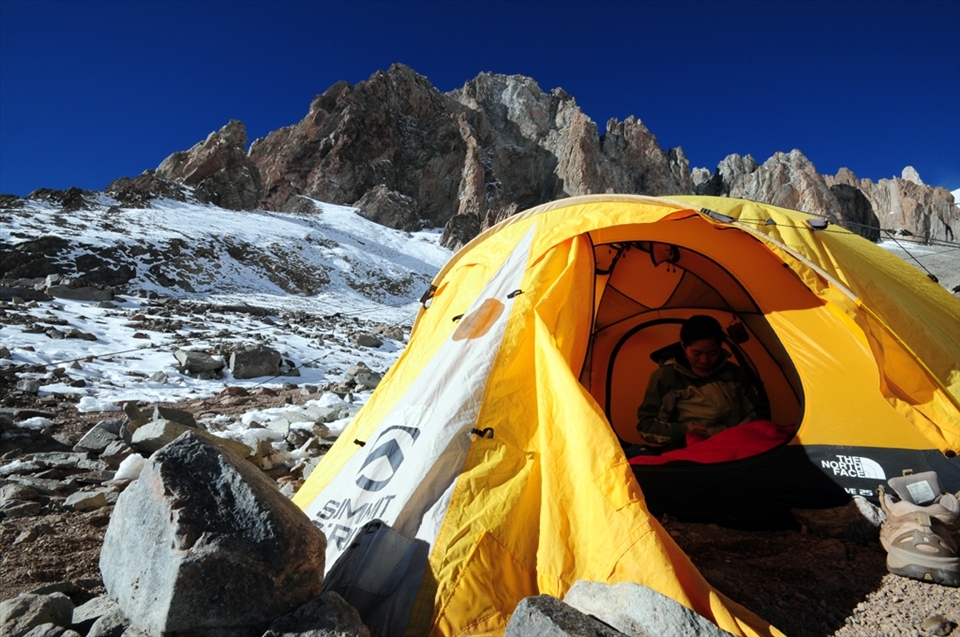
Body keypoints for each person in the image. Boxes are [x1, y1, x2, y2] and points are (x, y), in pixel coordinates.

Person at [635, 315, 769, 451]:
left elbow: (756, 413)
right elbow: (647, 426)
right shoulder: (667, 377)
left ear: (720, 348)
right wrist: (684, 430)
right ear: (683, 346)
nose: (704, 360)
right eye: (696, 353)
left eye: (712, 353)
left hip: (739, 443)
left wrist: (738, 434)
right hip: (693, 448)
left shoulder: (733, 373)